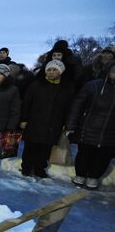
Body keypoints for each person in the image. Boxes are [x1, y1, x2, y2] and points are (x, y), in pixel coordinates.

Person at [20, 60, 75, 178]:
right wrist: (24, 119)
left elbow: (69, 107)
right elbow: (26, 103)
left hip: (54, 122)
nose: (51, 72)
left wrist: (67, 123)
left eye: (54, 69)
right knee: (30, 146)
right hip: (34, 121)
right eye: (49, 70)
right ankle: (26, 167)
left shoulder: (66, 88)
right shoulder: (36, 84)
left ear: (60, 71)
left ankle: (40, 168)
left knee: (45, 148)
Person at [66, 60, 115, 189]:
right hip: (88, 128)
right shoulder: (93, 86)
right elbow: (77, 106)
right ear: (108, 71)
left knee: (103, 157)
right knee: (84, 154)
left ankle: (94, 177)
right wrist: (71, 126)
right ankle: (80, 175)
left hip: (111, 133)